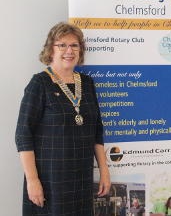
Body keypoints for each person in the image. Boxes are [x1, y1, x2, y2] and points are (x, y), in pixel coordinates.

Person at [15, 22, 111, 215]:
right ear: (51, 49)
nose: (69, 50)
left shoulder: (87, 83)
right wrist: (32, 180)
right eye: (62, 45)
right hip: (50, 179)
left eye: (74, 45)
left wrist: (104, 171)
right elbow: (23, 136)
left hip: (81, 177)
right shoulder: (39, 83)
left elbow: (97, 131)